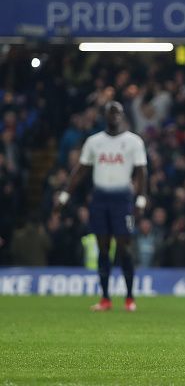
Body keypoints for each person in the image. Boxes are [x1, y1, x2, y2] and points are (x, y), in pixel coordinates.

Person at [56, 101, 148, 312]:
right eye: (110, 113)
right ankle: (105, 298)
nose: (114, 116)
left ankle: (129, 297)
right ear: (104, 116)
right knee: (103, 247)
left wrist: (141, 199)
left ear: (123, 116)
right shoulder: (94, 142)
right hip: (100, 198)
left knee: (124, 246)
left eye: (117, 113)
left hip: (122, 198)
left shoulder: (133, 142)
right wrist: (64, 196)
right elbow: (80, 171)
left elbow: (142, 172)